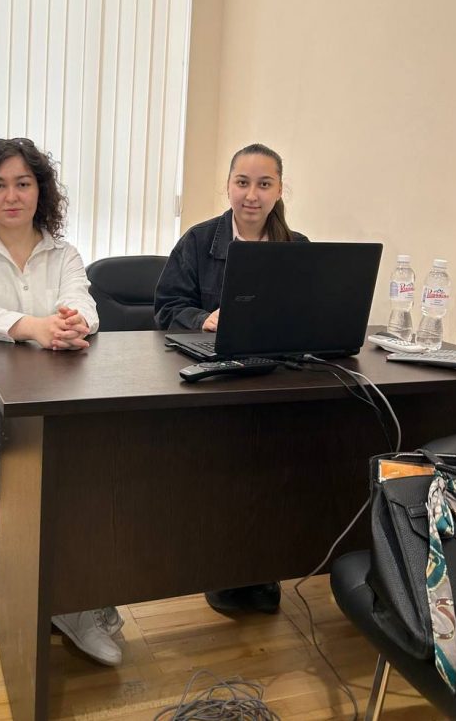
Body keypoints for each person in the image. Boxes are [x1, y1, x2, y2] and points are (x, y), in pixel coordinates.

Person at [0, 137, 123, 666]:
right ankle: (64, 602)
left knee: (82, 462)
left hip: (37, 390)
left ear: (40, 190)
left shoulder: (63, 252)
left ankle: (78, 586)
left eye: (23, 183)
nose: (11, 196)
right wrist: (33, 326)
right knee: (13, 457)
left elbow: (82, 303)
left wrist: (75, 323)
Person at [154, 142, 309, 615]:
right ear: (228, 186)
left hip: (275, 381)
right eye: (242, 182)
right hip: (214, 381)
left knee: (280, 469)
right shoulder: (199, 241)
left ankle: (263, 568)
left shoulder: (297, 248)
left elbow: (312, 311)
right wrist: (202, 319)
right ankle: (224, 568)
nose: (252, 195)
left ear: (280, 190)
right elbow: (166, 308)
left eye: (264, 184)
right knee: (226, 470)